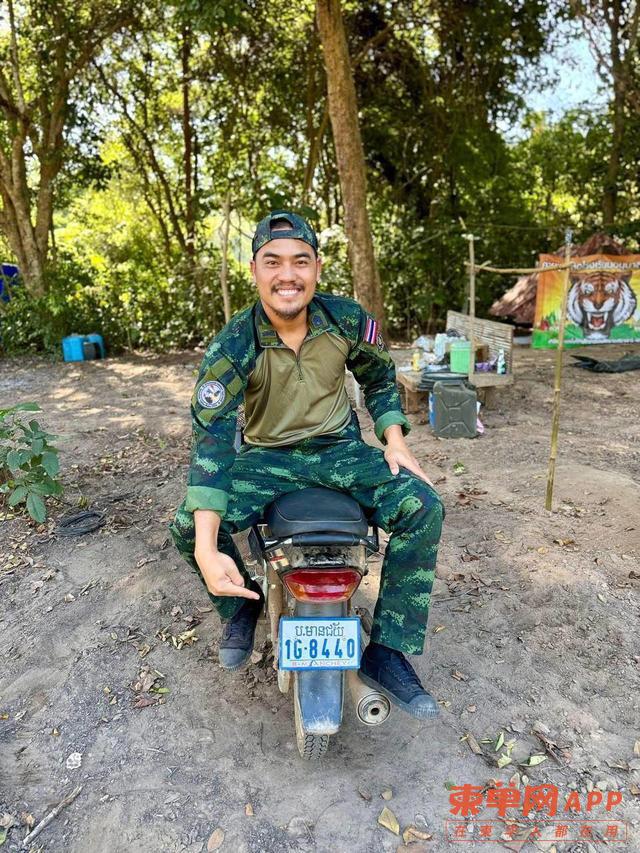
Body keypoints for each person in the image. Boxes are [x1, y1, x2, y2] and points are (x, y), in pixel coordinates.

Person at [170, 210, 444, 719]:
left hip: (340, 451)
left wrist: (393, 438)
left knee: (423, 506)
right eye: (272, 261)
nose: (287, 274)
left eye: (300, 261)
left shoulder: (345, 319)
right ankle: (243, 605)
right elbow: (212, 439)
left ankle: (387, 650)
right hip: (266, 459)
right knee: (190, 526)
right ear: (254, 269)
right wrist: (207, 548)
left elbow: (379, 376)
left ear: (317, 267)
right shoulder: (233, 344)